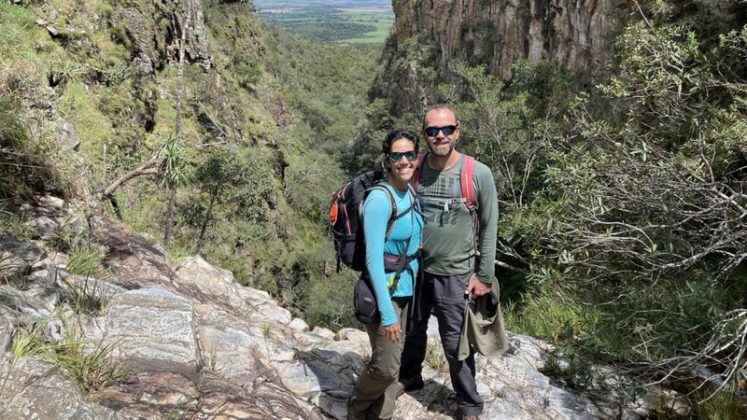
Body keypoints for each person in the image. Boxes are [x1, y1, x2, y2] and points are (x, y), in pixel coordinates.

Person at [398, 104, 499, 420]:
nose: (439, 136)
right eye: (432, 131)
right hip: (417, 269)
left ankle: (468, 403)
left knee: (456, 341)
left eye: (446, 130)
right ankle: (409, 376)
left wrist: (483, 276)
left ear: (457, 131)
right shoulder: (415, 169)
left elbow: (489, 225)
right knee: (412, 329)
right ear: (424, 134)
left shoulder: (477, 174)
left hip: (456, 273)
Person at [348, 129, 424, 420]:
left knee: (393, 361)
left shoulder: (408, 191)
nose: (404, 161)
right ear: (388, 160)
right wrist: (388, 314)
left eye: (409, 155)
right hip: (386, 295)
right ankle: (357, 406)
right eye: (397, 156)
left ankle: (381, 414)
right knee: (386, 367)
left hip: (406, 290)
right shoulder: (381, 199)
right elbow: (372, 260)